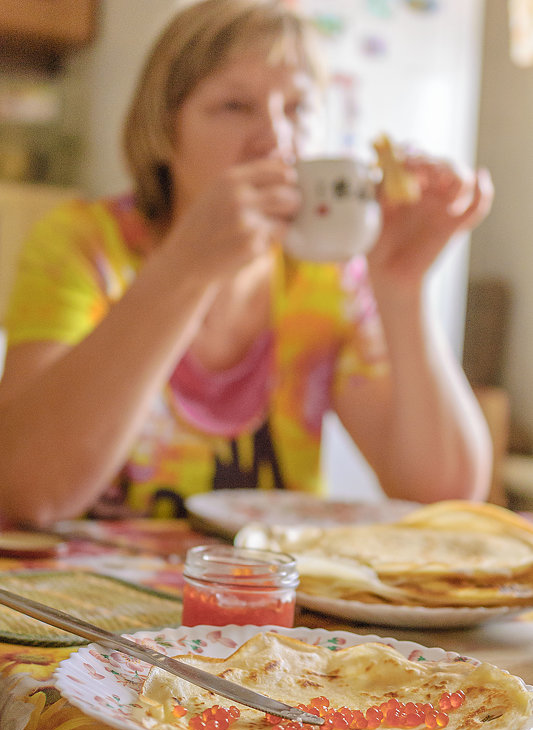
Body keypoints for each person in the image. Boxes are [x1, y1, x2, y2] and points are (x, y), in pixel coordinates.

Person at [0, 0, 494, 527]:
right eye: (235, 106)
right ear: (164, 131)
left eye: (299, 109)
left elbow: (443, 499)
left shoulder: (325, 276)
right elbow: (24, 493)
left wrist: (402, 288)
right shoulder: (84, 247)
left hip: (269, 601)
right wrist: (187, 269)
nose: (275, 138)